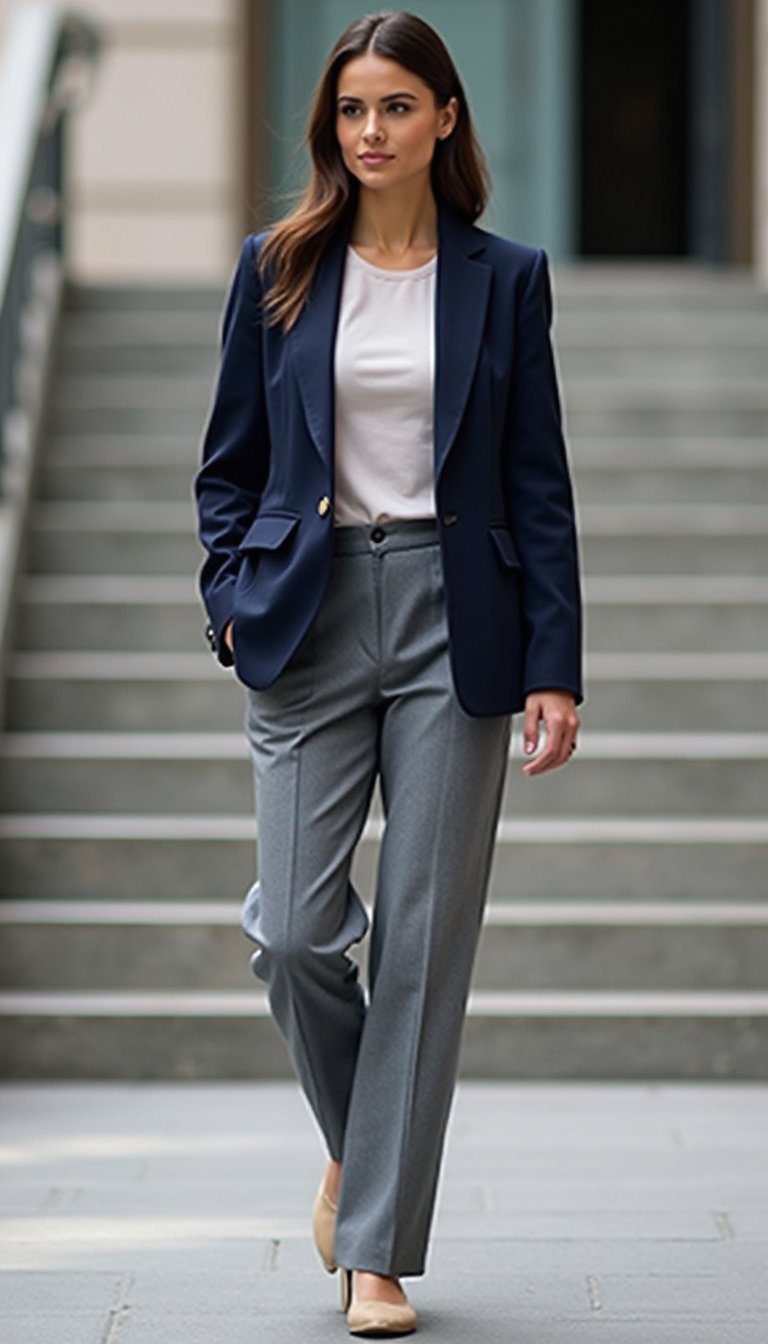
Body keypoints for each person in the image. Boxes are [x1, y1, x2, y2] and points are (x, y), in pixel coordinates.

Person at [194, 10, 583, 1337]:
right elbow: (226, 468)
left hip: (453, 612)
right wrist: (226, 603)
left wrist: (557, 666)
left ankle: (376, 1255)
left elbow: (538, 487)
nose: (371, 131)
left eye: (397, 106)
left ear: (447, 118)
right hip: (303, 612)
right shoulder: (278, 268)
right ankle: (365, 1150)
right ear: (332, 126)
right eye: (352, 110)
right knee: (297, 933)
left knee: (420, 937)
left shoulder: (508, 278)